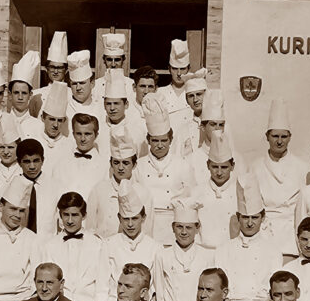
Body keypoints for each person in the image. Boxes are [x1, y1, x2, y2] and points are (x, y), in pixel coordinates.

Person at [249, 99, 310, 256]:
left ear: (290, 137)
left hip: (292, 235)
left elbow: (309, 206)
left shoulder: (303, 168)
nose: (279, 141)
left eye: (284, 136)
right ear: (267, 136)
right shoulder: (255, 167)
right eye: (275, 136)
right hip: (265, 233)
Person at [217, 172, 283, 301]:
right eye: (245, 217)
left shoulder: (273, 251)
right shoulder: (223, 250)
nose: (250, 223)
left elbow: (274, 293)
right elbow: (222, 293)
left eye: (255, 217)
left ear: (263, 217)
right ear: (238, 217)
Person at [134, 94, 196, 243]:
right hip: (145, 226)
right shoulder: (138, 166)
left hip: (172, 227)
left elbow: (190, 198)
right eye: (155, 141)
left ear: (171, 140)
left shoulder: (183, 165)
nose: (160, 145)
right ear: (149, 140)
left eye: (164, 140)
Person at [42, 192, 109, 301]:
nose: (70, 221)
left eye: (75, 215)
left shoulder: (98, 244)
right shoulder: (49, 246)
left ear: (84, 216)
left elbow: (103, 281)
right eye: (66, 215)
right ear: (60, 215)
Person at [86, 125, 155, 240]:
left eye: (126, 163)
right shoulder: (99, 190)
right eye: (117, 163)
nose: (121, 168)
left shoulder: (143, 193)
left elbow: (147, 232)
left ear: (134, 165)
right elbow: (90, 227)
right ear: (111, 164)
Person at [151, 199, 216, 301]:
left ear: (197, 228)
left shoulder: (207, 256)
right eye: (179, 227)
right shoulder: (162, 255)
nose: (184, 232)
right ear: (173, 228)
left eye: (189, 227)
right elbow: (159, 291)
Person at [103, 179, 163, 297]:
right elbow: (102, 282)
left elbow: (157, 285)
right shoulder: (109, 244)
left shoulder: (155, 247)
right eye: (126, 219)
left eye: (135, 218)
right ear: (119, 218)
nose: (130, 224)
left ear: (143, 218)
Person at [188, 130, 238, 250]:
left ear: (232, 166)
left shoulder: (239, 192)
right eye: (215, 167)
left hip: (230, 252)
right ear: (208, 165)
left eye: (224, 167)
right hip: (202, 252)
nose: (219, 172)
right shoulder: (196, 192)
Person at [57, 112, 108, 202]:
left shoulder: (105, 167)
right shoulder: (61, 164)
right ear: (73, 134)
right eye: (79, 134)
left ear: (96, 135)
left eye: (87, 134)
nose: (83, 139)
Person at [16, 139, 59, 237]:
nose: (32, 166)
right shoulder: (13, 187)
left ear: (42, 160)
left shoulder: (55, 186)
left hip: (47, 245)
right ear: (19, 162)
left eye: (36, 161)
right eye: (27, 162)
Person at [31, 82, 72, 180]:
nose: (55, 125)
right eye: (52, 119)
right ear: (43, 118)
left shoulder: (70, 145)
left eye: (59, 120)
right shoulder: (34, 141)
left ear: (64, 121)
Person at [186, 89, 225, 186]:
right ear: (203, 127)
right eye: (213, 124)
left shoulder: (233, 158)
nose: (217, 129)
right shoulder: (191, 160)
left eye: (221, 125)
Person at [101, 68, 145, 150]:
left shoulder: (137, 129)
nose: (112, 108)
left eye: (116, 103)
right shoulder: (99, 129)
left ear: (126, 105)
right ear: (104, 105)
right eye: (108, 104)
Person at [91, 33, 137, 104]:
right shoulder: (95, 86)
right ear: (104, 60)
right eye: (109, 60)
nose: (113, 64)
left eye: (117, 60)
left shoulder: (131, 85)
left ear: (123, 60)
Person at [65, 50, 106, 127]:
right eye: (74, 84)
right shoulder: (64, 108)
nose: (78, 88)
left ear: (92, 84)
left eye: (82, 83)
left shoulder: (102, 109)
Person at [171, 67, 206, 158]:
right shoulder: (183, 130)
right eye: (191, 96)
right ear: (187, 100)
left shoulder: (220, 125)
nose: (195, 100)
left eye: (199, 94)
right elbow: (176, 159)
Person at [7, 50, 42, 136]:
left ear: (30, 95)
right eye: (16, 93)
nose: (20, 97)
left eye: (24, 93)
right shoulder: (2, 121)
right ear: (10, 95)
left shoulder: (39, 126)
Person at [32, 31, 69, 103]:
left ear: (66, 70)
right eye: (52, 67)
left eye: (59, 68)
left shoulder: (71, 95)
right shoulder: (37, 94)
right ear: (47, 69)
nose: (55, 71)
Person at [158, 38, 191, 116]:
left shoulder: (193, 93)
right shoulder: (160, 93)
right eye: (175, 69)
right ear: (169, 69)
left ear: (189, 69)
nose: (179, 73)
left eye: (182, 69)